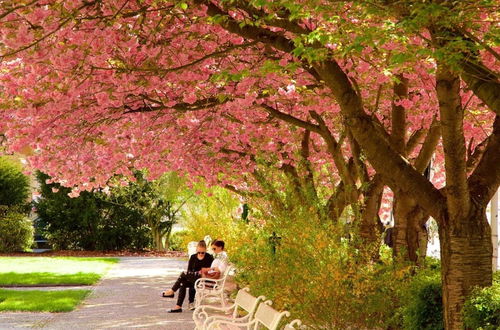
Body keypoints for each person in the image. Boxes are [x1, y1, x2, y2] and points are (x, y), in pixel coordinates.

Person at [163, 240, 213, 312]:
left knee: (184, 274)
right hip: (193, 277)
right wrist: (193, 274)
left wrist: (202, 273)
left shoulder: (209, 257)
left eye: (203, 252)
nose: (201, 254)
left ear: (206, 250)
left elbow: (211, 270)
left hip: (203, 279)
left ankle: (172, 291)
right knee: (183, 282)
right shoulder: (193, 257)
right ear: (196, 250)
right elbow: (189, 270)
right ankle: (178, 306)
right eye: (199, 252)